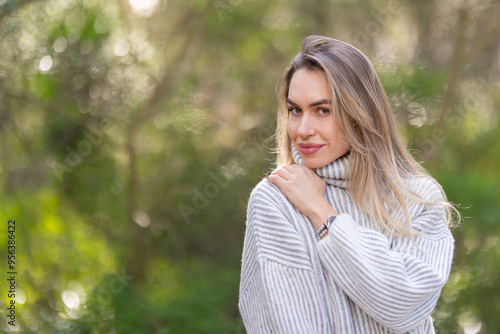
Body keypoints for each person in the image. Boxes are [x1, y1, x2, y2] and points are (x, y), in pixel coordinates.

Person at [238, 35, 457, 334]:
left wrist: (322, 212)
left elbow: (404, 306)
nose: (302, 130)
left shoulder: (416, 197)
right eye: (295, 110)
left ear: (361, 114)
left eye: (322, 110)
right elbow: (287, 324)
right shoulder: (276, 200)